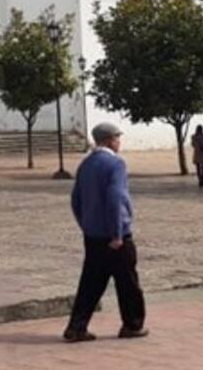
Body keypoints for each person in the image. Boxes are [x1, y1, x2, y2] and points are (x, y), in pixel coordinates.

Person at [63, 122, 147, 343]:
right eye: (117, 138)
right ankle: (132, 324)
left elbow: (76, 200)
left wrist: (86, 224)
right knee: (128, 283)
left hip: (93, 235)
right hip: (115, 236)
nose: (119, 142)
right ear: (110, 140)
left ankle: (76, 327)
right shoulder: (115, 164)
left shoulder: (86, 164)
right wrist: (117, 233)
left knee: (90, 283)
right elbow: (116, 198)